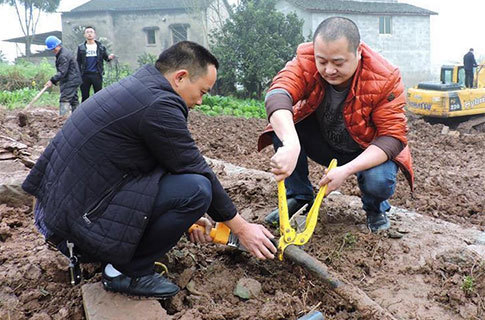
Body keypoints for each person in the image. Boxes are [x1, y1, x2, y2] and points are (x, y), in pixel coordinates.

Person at [23, 41, 276, 298]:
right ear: (180, 77)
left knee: (189, 189)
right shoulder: (158, 105)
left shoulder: (143, 87)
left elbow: (164, 162)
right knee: (198, 190)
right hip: (76, 226)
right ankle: (124, 272)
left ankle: (122, 258)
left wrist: (186, 219)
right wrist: (242, 228)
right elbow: (197, 170)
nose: (200, 101)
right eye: (202, 91)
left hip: (69, 209)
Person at [258, 17, 414, 233]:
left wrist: (346, 170)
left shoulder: (385, 77)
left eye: (338, 63)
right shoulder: (306, 60)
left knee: (378, 180)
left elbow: (393, 137)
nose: (329, 70)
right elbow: (278, 93)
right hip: (324, 141)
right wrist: (291, 143)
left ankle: (375, 208)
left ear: (358, 51)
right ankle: (300, 196)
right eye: (322, 61)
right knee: (283, 128)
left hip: (365, 149)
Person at [44, 35, 82, 115]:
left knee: (64, 99)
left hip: (71, 80)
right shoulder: (63, 52)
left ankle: (62, 119)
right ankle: (78, 117)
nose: (53, 51)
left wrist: (52, 80)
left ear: (57, 46)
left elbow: (62, 72)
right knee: (73, 100)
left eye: (53, 49)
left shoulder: (63, 56)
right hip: (73, 79)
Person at [77, 26, 115, 102]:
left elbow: (106, 58)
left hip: (97, 74)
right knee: (85, 96)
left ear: (94, 34)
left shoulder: (100, 47)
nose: (89, 34)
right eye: (87, 32)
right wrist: (78, 74)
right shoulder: (81, 47)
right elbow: (78, 61)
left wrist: (110, 57)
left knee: (98, 96)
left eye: (91, 32)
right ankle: (85, 112)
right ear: (84, 35)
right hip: (85, 75)